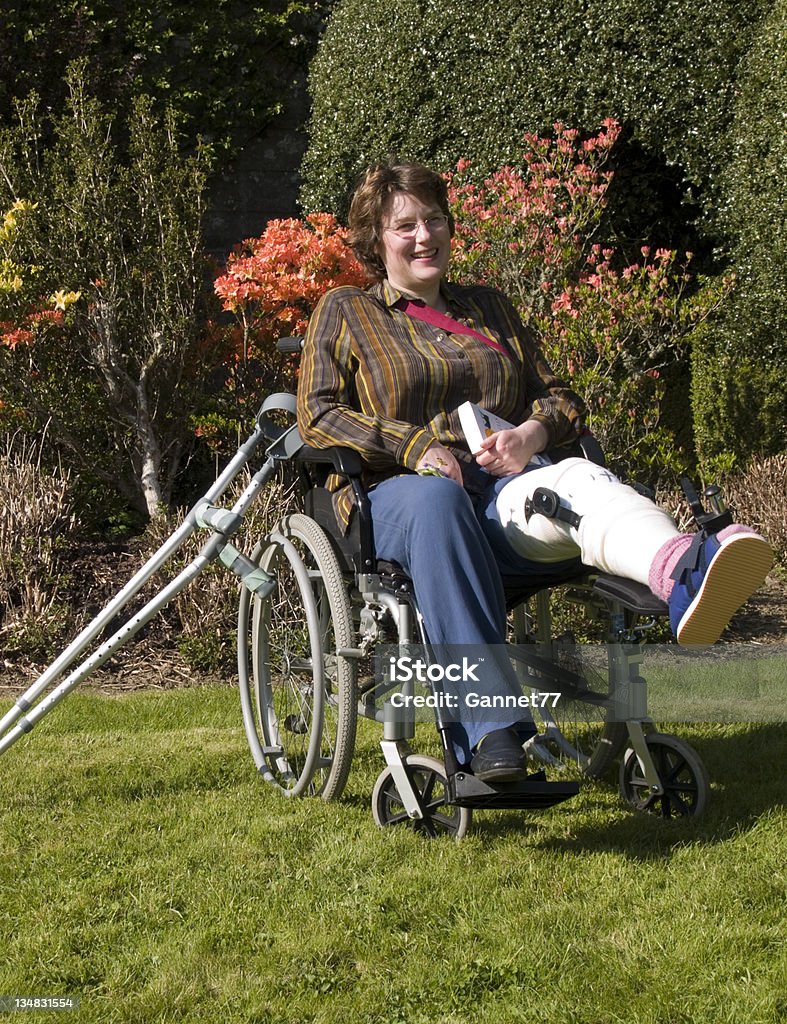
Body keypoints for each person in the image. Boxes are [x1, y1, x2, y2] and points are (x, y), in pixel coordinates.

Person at [296, 160, 773, 782]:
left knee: (572, 480)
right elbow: (318, 412)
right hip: (396, 499)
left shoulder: (489, 308)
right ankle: (492, 732)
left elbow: (562, 397)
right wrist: (413, 446)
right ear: (375, 240)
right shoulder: (348, 310)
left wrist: (531, 434)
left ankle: (683, 571)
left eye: (434, 220)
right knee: (436, 504)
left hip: (499, 494)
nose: (424, 236)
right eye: (405, 225)